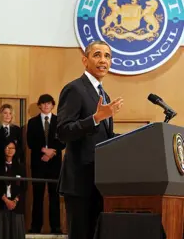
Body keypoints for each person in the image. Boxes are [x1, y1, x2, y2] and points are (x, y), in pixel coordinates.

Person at [57, 40, 123, 239]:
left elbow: (104, 138)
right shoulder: (75, 89)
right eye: (97, 55)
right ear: (85, 61)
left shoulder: (104, 94)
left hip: (99, 182)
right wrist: (95, 118)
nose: (103, 60)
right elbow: (62, 132)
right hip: (79, 183)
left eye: (107, 56)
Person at [27, 94, 65, 234]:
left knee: (54, 197)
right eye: (43, 104)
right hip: (38, 163)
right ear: (39, 106)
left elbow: (63, 141)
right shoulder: (32, 122)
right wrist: (44, 150)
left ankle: (56, 227)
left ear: (52, 105)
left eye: (48, 103)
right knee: (37, 196)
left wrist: (52, 153)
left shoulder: (59, 120)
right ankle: (36, 227)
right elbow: (30, 142)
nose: (46, 106)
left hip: (54, 164)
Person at [0, 141, 26, 239]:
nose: (9, 150)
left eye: (12, 148)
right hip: (2, 204)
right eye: (7, 147)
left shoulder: (20, 167)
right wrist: (6, 200)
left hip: (16, 206)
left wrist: (15, 201)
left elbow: (24, 187)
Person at [0, 104, 22, 174]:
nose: (8, 115)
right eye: (5, 113)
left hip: (12, 165)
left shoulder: (17, 129)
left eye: (10, 113)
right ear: (1, 114)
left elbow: (19, 148)